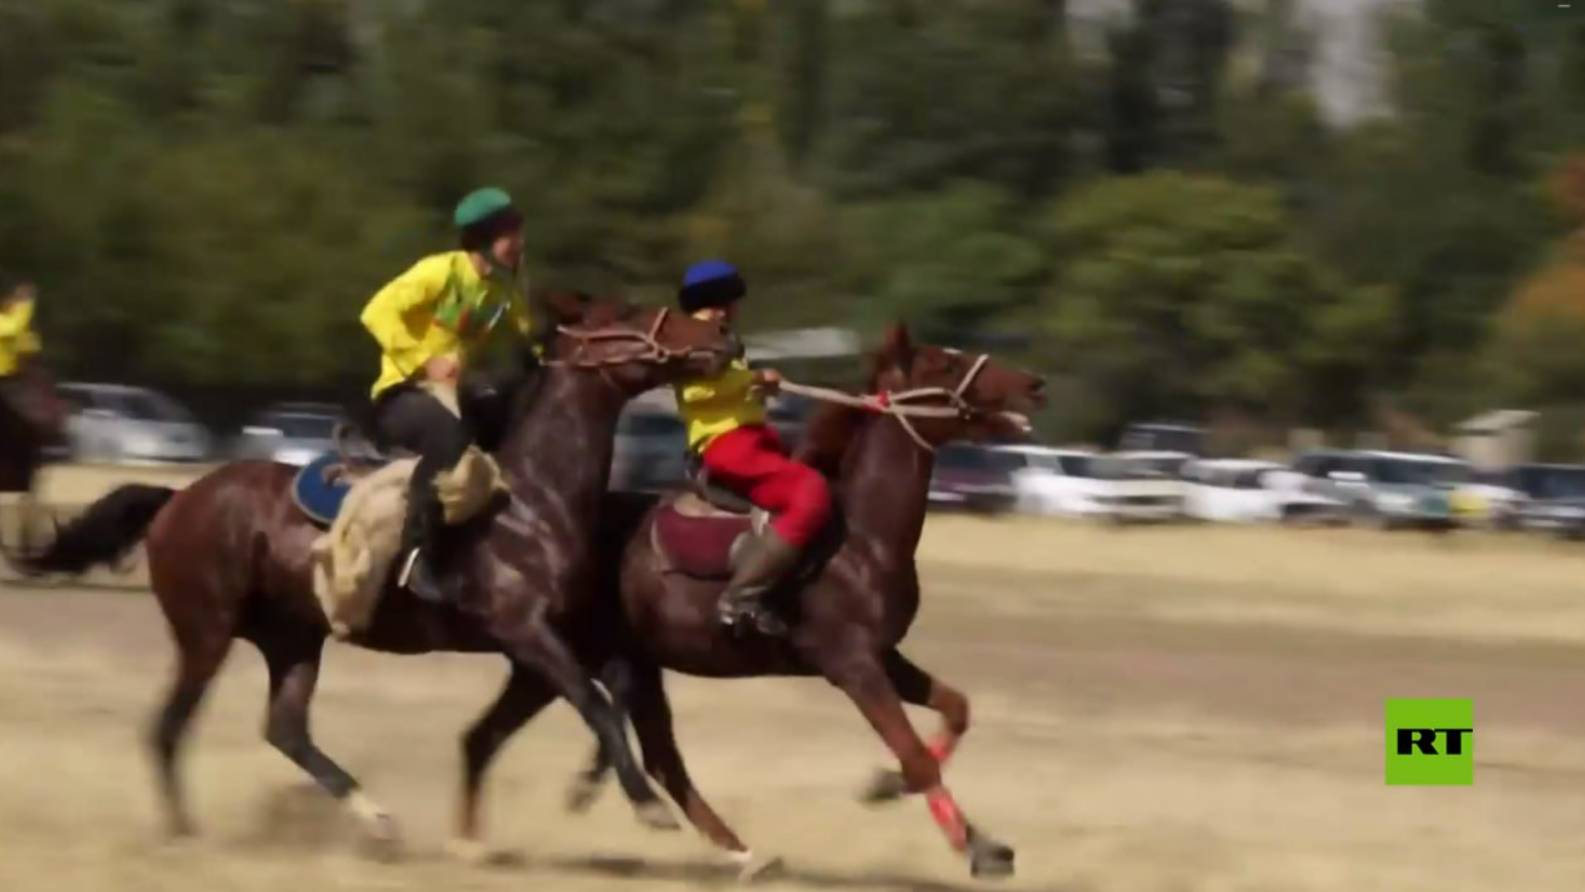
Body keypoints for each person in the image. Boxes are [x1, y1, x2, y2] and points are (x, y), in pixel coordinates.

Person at [360, 187, 535, 604]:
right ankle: (415, 555)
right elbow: (375, 312)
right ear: (485, 239)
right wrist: (424, 362)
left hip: (455, 395)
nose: (520, 244)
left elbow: (531, 342)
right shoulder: (438, 272)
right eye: (512, 234)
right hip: (404, 395)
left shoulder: (502, 292)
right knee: (450, 438)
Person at [674, 260, 832, 636]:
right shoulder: (693, 336)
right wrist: (753, 380)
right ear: (720, 300)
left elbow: (730, 390)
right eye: (733, 300)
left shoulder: (722, 336)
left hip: (753, 437)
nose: (738, 308)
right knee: (810, 492)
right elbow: (695, 391)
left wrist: (757, 387)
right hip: (724, 445)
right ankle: (740, 596)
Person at [0, 275, 43, 423]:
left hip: (14, 378)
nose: (13, 304)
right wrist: (25, 304)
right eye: (14, 300)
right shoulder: (7, 321)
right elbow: (12, 330)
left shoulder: (17, 322)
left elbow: (31, 347)